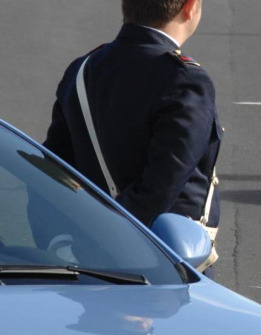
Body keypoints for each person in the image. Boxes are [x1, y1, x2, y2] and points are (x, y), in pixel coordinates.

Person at [43, 0, 222, 274]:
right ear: (190, 7)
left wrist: (62, 239)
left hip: (87, 252)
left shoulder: (84, 68)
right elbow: (162, 184)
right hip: (159, 259)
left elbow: (53, 167)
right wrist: (116, 238)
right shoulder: (184, 79)